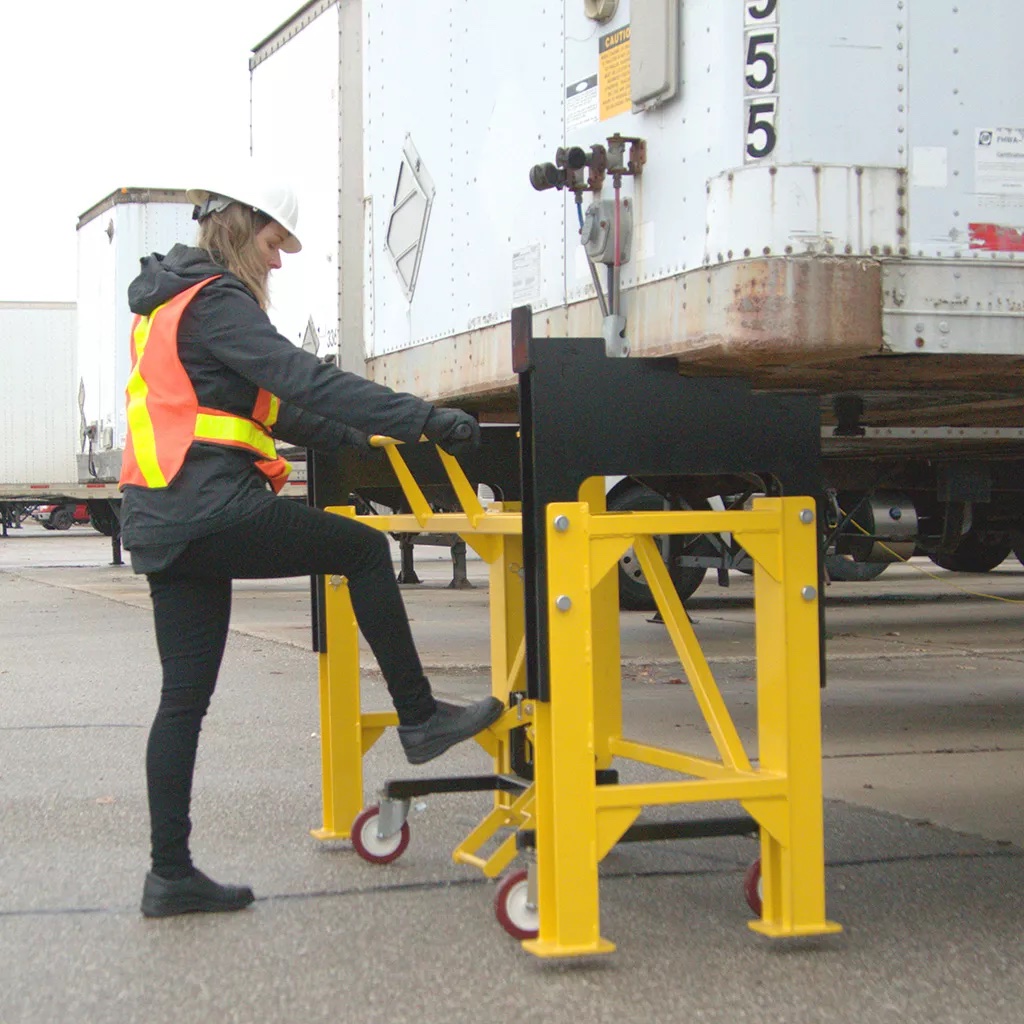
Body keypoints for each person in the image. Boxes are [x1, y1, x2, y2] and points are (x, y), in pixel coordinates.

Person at [120, 170, 503, 919]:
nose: (279, 259)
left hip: (163, 522)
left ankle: (169, 875)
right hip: (210, 510)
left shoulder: (166, 307)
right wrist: (422, 417)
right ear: (238, 225)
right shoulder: (218, 301)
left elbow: (284, 409)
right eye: (273, 241)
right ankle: (419, 718)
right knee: (360, 549)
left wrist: (373, 438)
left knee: (181, 703)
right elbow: (305, 379)